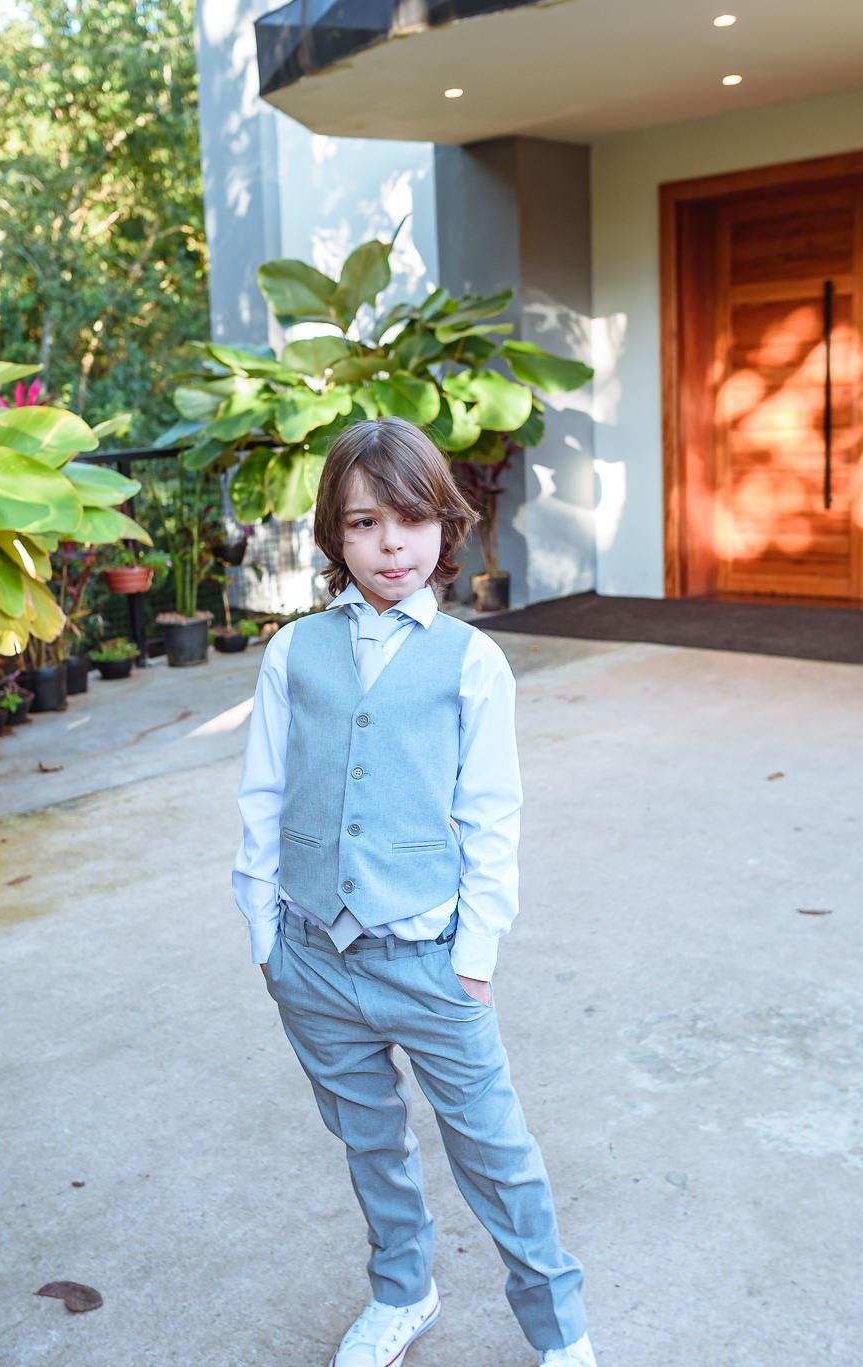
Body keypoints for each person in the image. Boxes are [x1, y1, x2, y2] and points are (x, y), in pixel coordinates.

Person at [233, 417, 595, 1367]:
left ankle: (560, 1333)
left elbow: (492, 819)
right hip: (311, 953)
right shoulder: (293, 653)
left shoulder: (472, 662)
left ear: (445, 526)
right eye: (362, 524)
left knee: (496, 1152)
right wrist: (265, 937)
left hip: (430, 959)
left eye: (409, 519)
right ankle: (404, 1288)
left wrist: (473, 960)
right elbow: (264, 795)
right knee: (369, 1140)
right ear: (333, 536)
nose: (390, 544)